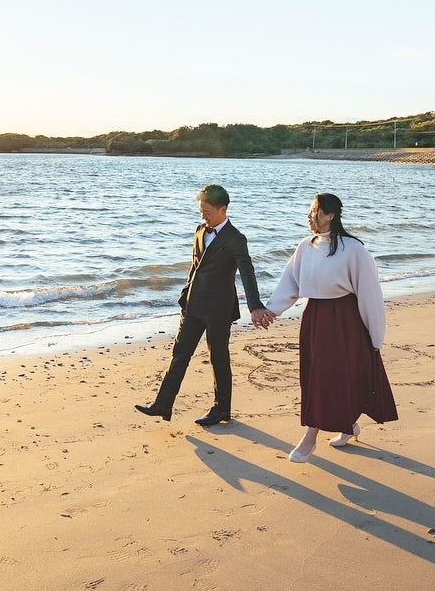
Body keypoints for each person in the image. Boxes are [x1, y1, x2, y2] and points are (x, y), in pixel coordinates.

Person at [265, 192, 397, 462]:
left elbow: (369, 293)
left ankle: (310, 437)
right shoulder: (306, 246)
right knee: (315, 376)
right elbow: (290, 283)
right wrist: (270, 312)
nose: (310, 215)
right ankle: (346, 426)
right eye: (310, 210)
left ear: (331, 215)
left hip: (345, 320)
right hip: (314, 316)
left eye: (315, 211)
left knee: (335, 377)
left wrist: (375, 335)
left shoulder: (353, 249)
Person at [136, 184, 276, 425]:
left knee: (218, 357)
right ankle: (163, 405)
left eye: (207, 211)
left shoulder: (236, 239)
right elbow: (194, 266)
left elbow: (247, 273)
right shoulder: (200, 230)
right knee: (180, 354)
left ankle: (222, 409)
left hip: (218, 309)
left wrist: (255, 306)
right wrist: (185, 294)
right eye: (201, 210)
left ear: (223, 209)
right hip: (192, 305)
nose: (203, 216)